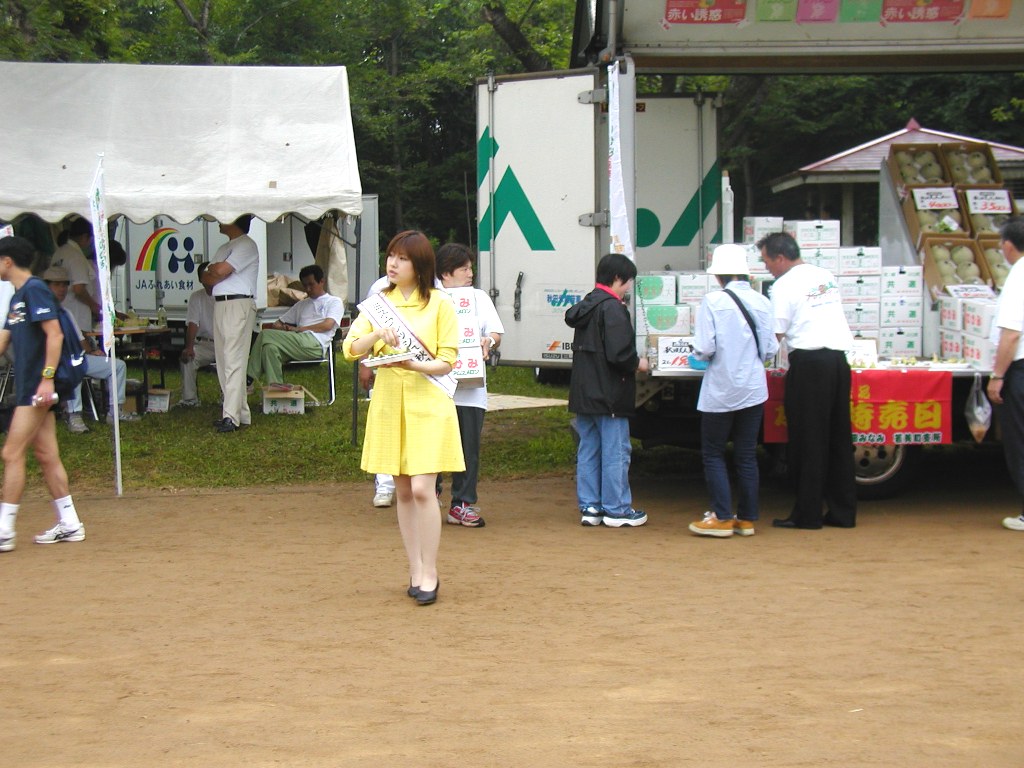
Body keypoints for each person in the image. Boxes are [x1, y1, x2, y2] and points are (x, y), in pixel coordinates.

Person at [342, 230, 464, 606]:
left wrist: (414, 365)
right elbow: (350, 348)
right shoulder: (378, 303)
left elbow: (448, 360)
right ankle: (414, 568)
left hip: (429, 402)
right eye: (391, 256)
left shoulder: (440, 304)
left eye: (402, 258)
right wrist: (376, 334)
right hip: (390, 401)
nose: (392, 264)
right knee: (405, 491)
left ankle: (431, 570)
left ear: (420, 265)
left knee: (424, 489)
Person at [759, 231, 857, 530]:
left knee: (808, 440)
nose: (766, 268)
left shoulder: (783, 285)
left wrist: (757, 357)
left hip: (810, 364)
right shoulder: (823, 275)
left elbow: (776, 334)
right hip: (838, 362)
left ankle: (808, 514)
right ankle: (843, 512)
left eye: (766, 261)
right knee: (839, 438)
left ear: (780, 257)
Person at [0, 236, 86, 553]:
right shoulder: (18, 296)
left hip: (37, 389)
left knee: (11, 453)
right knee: (47, 455)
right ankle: (70, 523)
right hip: (31, 387)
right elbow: (3, 341)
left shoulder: (35, 289)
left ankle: (4, 529)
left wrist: (47, 380)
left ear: (7, 261)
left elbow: (55, 334)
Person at [687, 244, 778, 538]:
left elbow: (704, 348)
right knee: (746, 454)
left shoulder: (713, 301)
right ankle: (747, 520)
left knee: (713, 453)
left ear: (719, 276)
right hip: (753, 388)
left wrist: (694, 353)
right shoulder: (762, 302)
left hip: (721, 389)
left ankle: (722, 517)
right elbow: (771, 349)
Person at [565, 252, 649, 528]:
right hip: (610, 394)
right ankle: (617, 509)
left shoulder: (587, 306)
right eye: (628, 281)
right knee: (616, 451)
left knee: (589, 449)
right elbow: (619, 354)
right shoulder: (613, 308)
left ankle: (591, 506)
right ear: (617, 278)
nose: (629, 287)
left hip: (584, 393)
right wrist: (639, 363)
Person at [435, 243, 504, 527]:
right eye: (464, 269)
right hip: (436, 388)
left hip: (471, 391)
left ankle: (461, 504)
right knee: (432, 446)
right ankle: (429, 496)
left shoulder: (478, 298)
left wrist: (489, 341)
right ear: (445, 273)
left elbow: (496, 331)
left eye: (470, 268)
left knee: (468, 449)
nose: (470, 273)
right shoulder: (429, 298)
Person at [41, 266, 139, 431]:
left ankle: (115, 411)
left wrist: (92, 352)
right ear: (46, 286)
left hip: (74, 358)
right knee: (74, 365)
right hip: (51, 362)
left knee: (118, 365)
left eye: (64, 285)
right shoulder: (40, 311)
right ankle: (74, 414)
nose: (62, 289)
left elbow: (80, 339)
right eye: (57, 285)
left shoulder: (66, 313)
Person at [201, 214, 259, 433]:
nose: (219, 220)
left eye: (224, 216)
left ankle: (230, 416)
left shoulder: (246, 244)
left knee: (233, 359)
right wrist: (216, 271)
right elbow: (206, 278)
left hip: (238, 303)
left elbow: (217, 272)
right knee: (224, 359)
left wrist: (216, 271)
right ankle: (240, 412)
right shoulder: (224, 247)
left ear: (234, 220)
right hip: (221, 303)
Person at [985, 217, 1024, 531]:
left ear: (1009, 245)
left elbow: (1011, 334)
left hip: (1021, 370)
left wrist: (998, 376)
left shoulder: (1019, 275)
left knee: (1020, 442)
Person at [246, 264, 343, 390]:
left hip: (315, 343)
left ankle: (248, 379)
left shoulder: (334, 301)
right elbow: (277, 324)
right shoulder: (301, 304)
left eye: (311, 284)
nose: (308, 289)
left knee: (265, 334)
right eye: (305, 285)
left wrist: (299, 329)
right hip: (298, 342)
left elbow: (327, 325)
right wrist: (285, 329)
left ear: (321, 282)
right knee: (269, 348)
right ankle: (276, 387)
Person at [49, 217, 100, 333]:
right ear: (85, 237)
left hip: (60, 313)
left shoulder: (58, 253)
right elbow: (79, 289)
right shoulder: (76, 256)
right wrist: (93, 306)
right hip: (76, 317)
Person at [176, 263, 216, 408]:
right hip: (205, 343)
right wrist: (189, 347)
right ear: (200, 279)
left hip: (224, 343)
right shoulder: (196, 297)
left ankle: (227, 399)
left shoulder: (224, 295)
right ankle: (189, 399)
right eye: (206, 275)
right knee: (188, 359)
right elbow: (193, 323)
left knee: (230, 363)